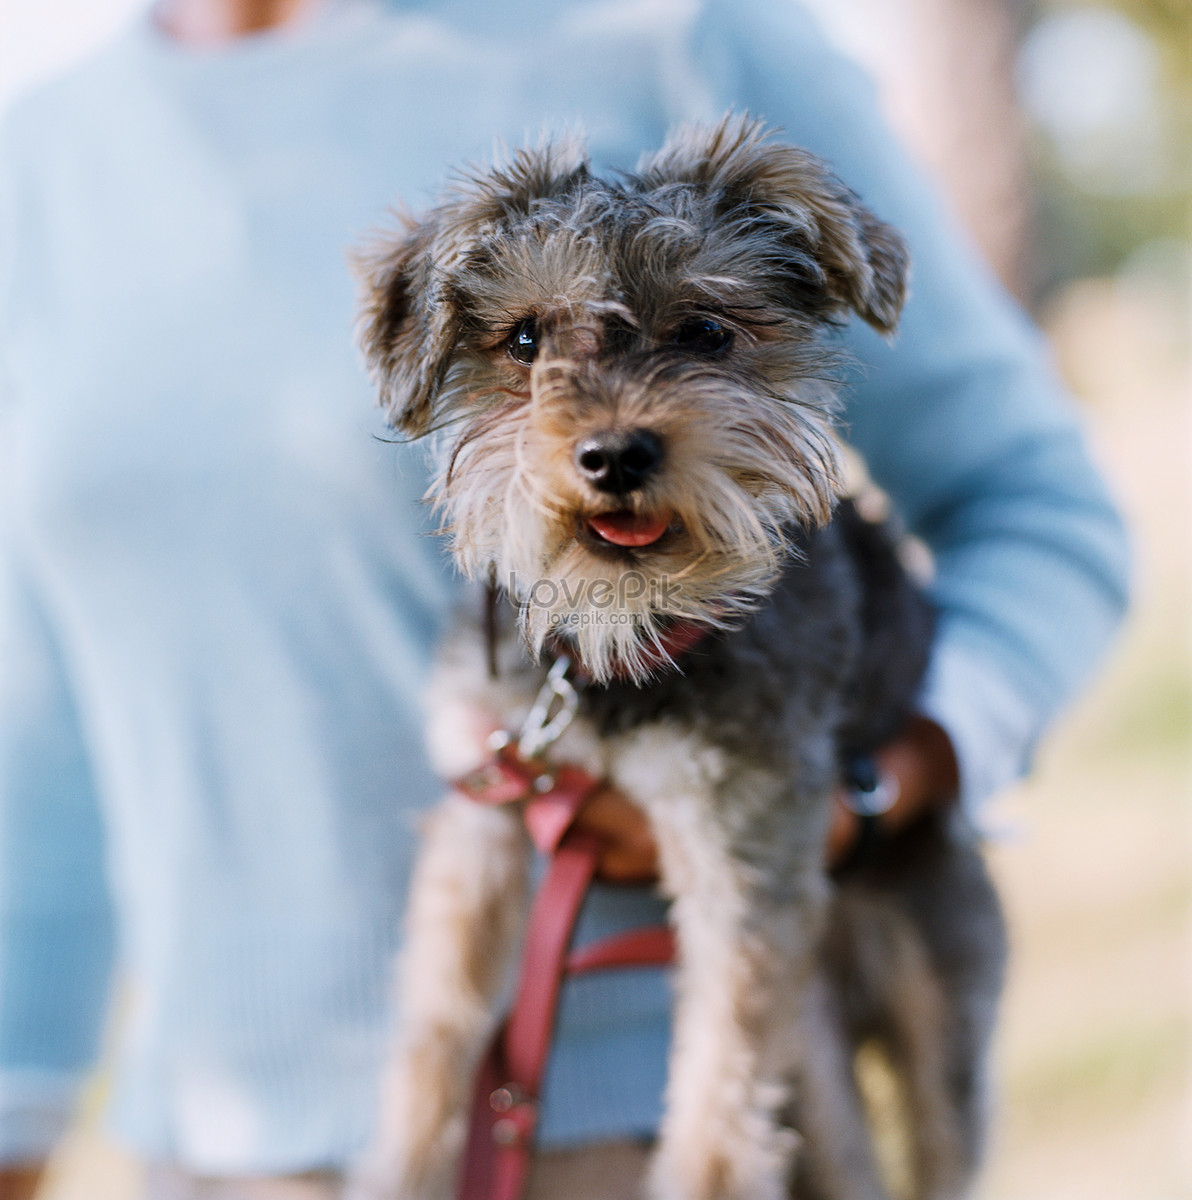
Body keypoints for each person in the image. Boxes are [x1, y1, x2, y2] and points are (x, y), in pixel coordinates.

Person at [0, 0, 1129, 1197]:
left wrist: (867, 789)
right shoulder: (38, 156)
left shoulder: (675, 31)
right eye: (531, 345)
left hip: (656, 1134)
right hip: (205, 1147)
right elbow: (46, 707)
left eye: (693, 334)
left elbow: (1040, 512)